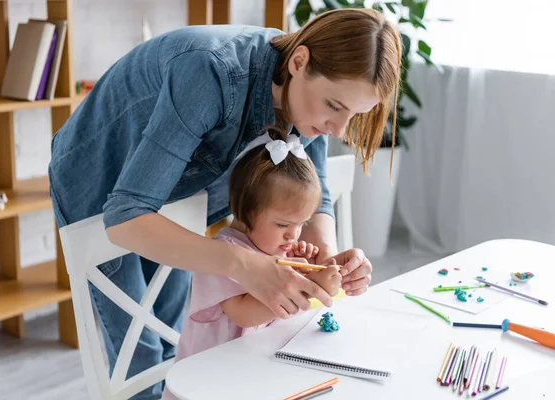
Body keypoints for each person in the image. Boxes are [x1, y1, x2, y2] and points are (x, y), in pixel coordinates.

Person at [49, 8, 401, 399]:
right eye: (335, 107)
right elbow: (125, 217)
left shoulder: (306, 95)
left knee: (176, 339)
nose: (339, 129)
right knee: (142, 357)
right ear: (299, 61)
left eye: (355, 114)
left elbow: (315, 190)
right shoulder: (210, 73)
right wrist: (243, 263)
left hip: (173, 193)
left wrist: (328, 262)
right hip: (98, 182)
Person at [161, 131, 343, 400]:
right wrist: (309, 287)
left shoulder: (274, 245)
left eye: (302, 224)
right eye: (283, 224)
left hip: (252, 370)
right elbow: (244, 314)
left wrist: (303, 268)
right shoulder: (224, 255)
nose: (293, 235)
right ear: (245, 211)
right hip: (210, 383)